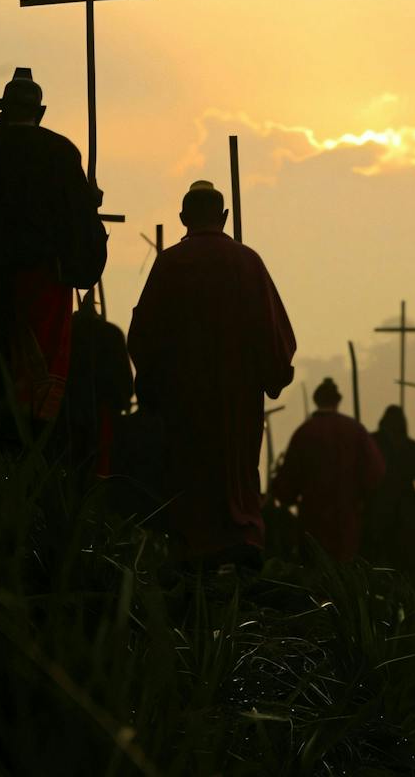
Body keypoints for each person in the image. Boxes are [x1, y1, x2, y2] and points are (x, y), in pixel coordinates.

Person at [128, 180, 296, 569]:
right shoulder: (247, 262)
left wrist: (152, 387)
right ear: (223, 217)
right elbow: (274, 331)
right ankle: (241, 538)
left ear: (184, 218)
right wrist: (273, 375)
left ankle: (194, 547)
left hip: (183, 396)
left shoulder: (169, 264)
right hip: (237, 395)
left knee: (190, 471)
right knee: (236, 468)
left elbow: (143, 334)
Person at [0, 68, 106, 426]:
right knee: (39, 372)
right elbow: (77, 219)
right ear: (40, 111)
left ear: (3, 109)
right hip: (43, 279)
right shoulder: (61, 152)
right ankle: (33, 444)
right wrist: (89, 204)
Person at [271, 377, 385, 561]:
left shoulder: (305, 433)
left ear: (316, 401)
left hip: (313, 522)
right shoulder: (355, 430)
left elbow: (286, 488)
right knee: (346, 577)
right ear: (337, 401)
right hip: (348, 523)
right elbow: (376, 474)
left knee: (316, 577)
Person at [362, 405, 415, 587]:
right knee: (409, 578)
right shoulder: (411, 447)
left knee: (377, 576)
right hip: (406, 520)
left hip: (378, 517)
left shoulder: (371, 443)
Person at [64, 289, 134, 477]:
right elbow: (126, 388)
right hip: (100, 419)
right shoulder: (110, 334)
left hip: (69, 419)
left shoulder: (67, 333)